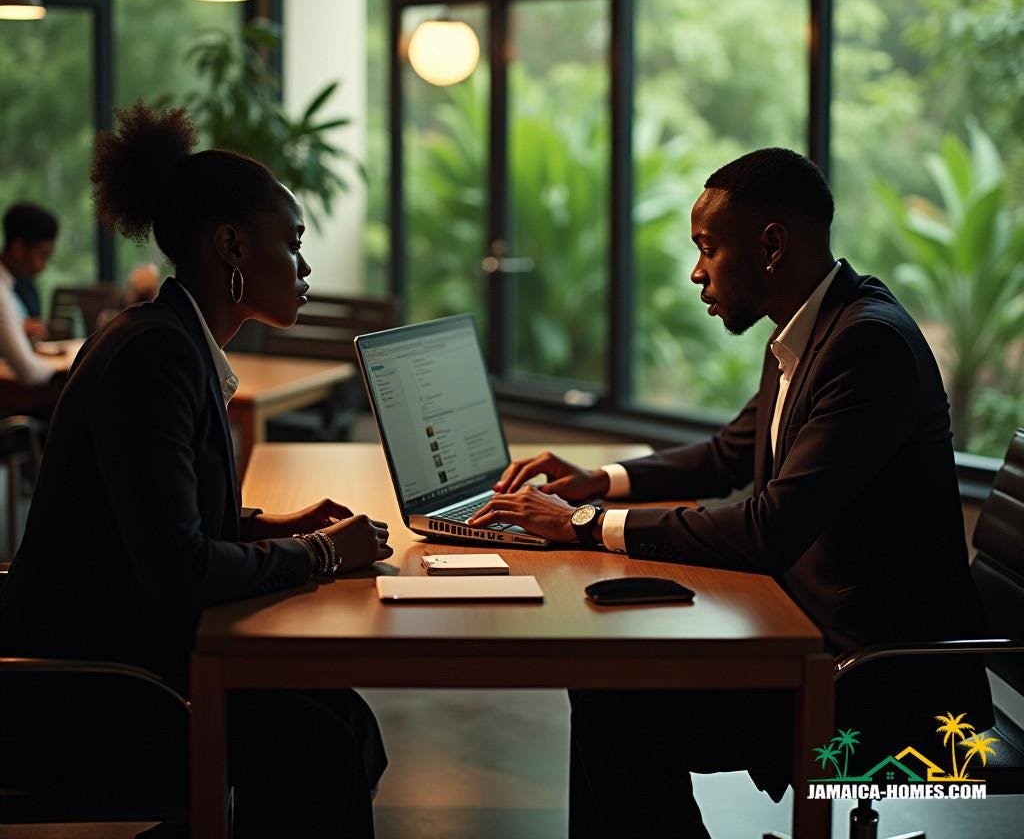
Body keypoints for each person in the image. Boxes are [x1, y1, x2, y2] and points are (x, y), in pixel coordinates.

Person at [468, 148, 992, 838]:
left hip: (881, 684)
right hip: (810, 637)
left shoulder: (868, 347)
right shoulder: (813, 332)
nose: (696, 272)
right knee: (607, 687)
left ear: (771, 245)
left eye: (708, 249)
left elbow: (769, 528)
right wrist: (601, 481)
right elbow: (728, 456)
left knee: (617, 709)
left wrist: (587, 524)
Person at [0, 102, 392, 838]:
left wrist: (273, 526)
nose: (306, 269)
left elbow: (156, 512)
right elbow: (176, 568)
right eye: (294, 245)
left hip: (130, 654)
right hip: (100, 690)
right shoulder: (155, 357)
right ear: (231, 246)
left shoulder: (170, 339)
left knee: (340, 718)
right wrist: (321, 552)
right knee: (321, 742)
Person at [0, 202, 59, 380]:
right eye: (42, 256)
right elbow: (29, 371)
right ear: (18, 248)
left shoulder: (11, 285)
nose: (43, 267)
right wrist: (74, 369)